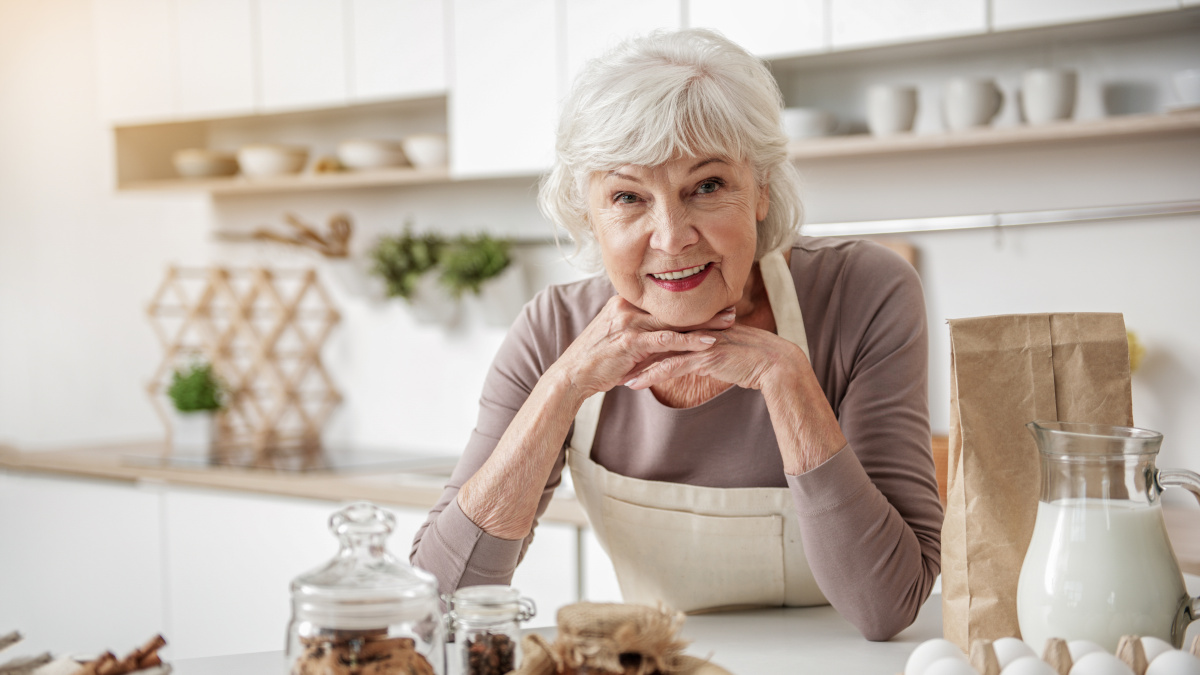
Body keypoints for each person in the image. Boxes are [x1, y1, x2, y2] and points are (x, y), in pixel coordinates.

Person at [411, 28, 941, 641]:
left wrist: (788, 380)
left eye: (708, 186)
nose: (671, 236)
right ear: (589, 215)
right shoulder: (552, 331)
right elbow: (438, 606)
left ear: (761, 188)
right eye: (628, 196)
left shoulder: (865, 293)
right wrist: (564, 387)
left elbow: (888, 606)